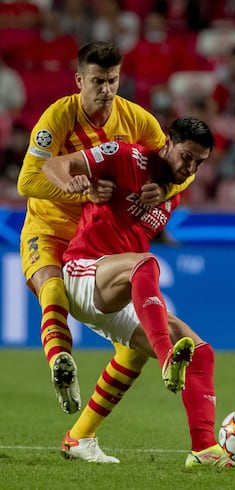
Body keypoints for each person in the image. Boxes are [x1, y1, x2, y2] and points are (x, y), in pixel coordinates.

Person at [42, 115, 235, 470]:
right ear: (167, 143)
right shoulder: (125, 156)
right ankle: (167, 356)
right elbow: (54, 164)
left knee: (202, 353)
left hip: (118, 293)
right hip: (84, 272)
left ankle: (202, 450)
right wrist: (76, 185)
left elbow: (165, 188)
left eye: (199, 163)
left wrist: (167, 188)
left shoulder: (175, 187)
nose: (190, 168)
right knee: (146, 264)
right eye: (186, 157)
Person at [17, 41, 193, 416]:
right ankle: (61, 361)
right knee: (52, 289)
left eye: (112, 80)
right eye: (97, 81)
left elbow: (180, 165)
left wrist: (165, 188)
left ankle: (81, 436)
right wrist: (75, 190)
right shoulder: (57, 118)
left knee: (133, 346)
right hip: (48, 227)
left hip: (97, 241)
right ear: (80, 80)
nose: (106, 90)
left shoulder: (137, 120)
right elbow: (27, 181)